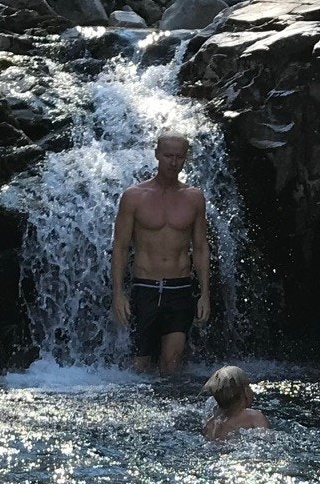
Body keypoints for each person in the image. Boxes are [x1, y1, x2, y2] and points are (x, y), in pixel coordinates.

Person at [111, 133, 210, 372]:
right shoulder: (134, 196)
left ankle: (172, 406)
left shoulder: (194, 197)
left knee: (172, 363)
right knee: (140, 364)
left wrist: (205, 293)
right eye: (168, 156)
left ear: (186, 159)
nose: (173, 162)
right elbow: (120, 247)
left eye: (179, 157)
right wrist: (118, 293)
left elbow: (200, 247)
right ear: (157, 154)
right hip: (145, 287)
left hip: (180, 288)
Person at [201, 366, 269, 440]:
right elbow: (266, 440)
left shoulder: (210, 424)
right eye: (248, 386)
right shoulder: (255, 417)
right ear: (245, 392)